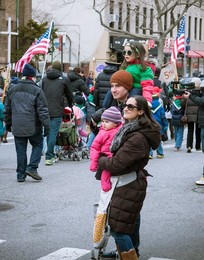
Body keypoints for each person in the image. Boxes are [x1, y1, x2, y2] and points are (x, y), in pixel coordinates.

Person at [97, 96, 161, 259]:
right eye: (125, 105)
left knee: (118, 228)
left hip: (128, 183)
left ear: (140, 112)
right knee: (130, 220)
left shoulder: (137, 137)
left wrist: (101, 159)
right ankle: (132, 251)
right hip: (129, 181)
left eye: (131, 107)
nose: (125, 108)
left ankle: (129, 255)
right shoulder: (130, 128)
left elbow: (116, 164)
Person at [4, 64, 50, 182]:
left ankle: (20, 174)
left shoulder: (12, 89)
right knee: (38, 145)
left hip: (17, 125)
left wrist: (8, 124)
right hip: (33, 125)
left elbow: (7, 110)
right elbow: (43, 111)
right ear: (33, 77)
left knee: (20, 150)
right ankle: (32, 168)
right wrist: (47, 126)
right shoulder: (37, 90)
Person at [103, 41, 155, 108]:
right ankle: (104, 110)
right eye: (124, 52)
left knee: (132, 99)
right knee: (109, 93)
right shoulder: (125, 67)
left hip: (136, 89)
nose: (126, 54)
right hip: (125, 89)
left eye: (129, 52)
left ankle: (129, 110)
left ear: (138, 54)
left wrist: (147, 100)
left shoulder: (144, 68)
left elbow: (147, 85)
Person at [41, 60, 73, 166]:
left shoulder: (44, 79)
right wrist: (70, 105)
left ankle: (48, 153)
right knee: (53, 133)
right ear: (60, 69)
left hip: (44, 110)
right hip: (57, 110)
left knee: (47, 133)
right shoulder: (64, 79)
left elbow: (40, 93)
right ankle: (49, 156)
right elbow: (69, 94)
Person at [90, 106, 123, 192]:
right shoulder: (102, 132)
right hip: (107, 156)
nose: (103, 124)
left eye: (107, 122)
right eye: (102, 121)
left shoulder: (121, 129)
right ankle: (106, 188)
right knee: (106, 173)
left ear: (116, 123)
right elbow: (94, 147)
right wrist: (94, 163)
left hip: (118, 156)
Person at [183, 80, 204, 185]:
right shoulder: (198, 93)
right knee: (197, 133)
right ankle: (196, 146)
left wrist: (190, 96)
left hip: (192, 116)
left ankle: (189, 146)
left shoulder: (193, 94)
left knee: (191, 132)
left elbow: (201, 101)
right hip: (198, 117)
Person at [149, 89, 168, 159]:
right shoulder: (160, 107)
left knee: (150, 139)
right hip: (158, 125)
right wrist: (165, 125)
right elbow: (163, 116)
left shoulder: (148, 106)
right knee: (158, 139)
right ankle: (160, 153)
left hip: (150, 124)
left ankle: (150, 154)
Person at [184, 78, 201, 153]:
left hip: (189, 115)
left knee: (190, 130)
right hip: (198, 114)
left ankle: (189, 146)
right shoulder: (201, 93)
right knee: (198, 130)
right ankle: (197, 146)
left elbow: (182, 104)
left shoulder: (188, 92)